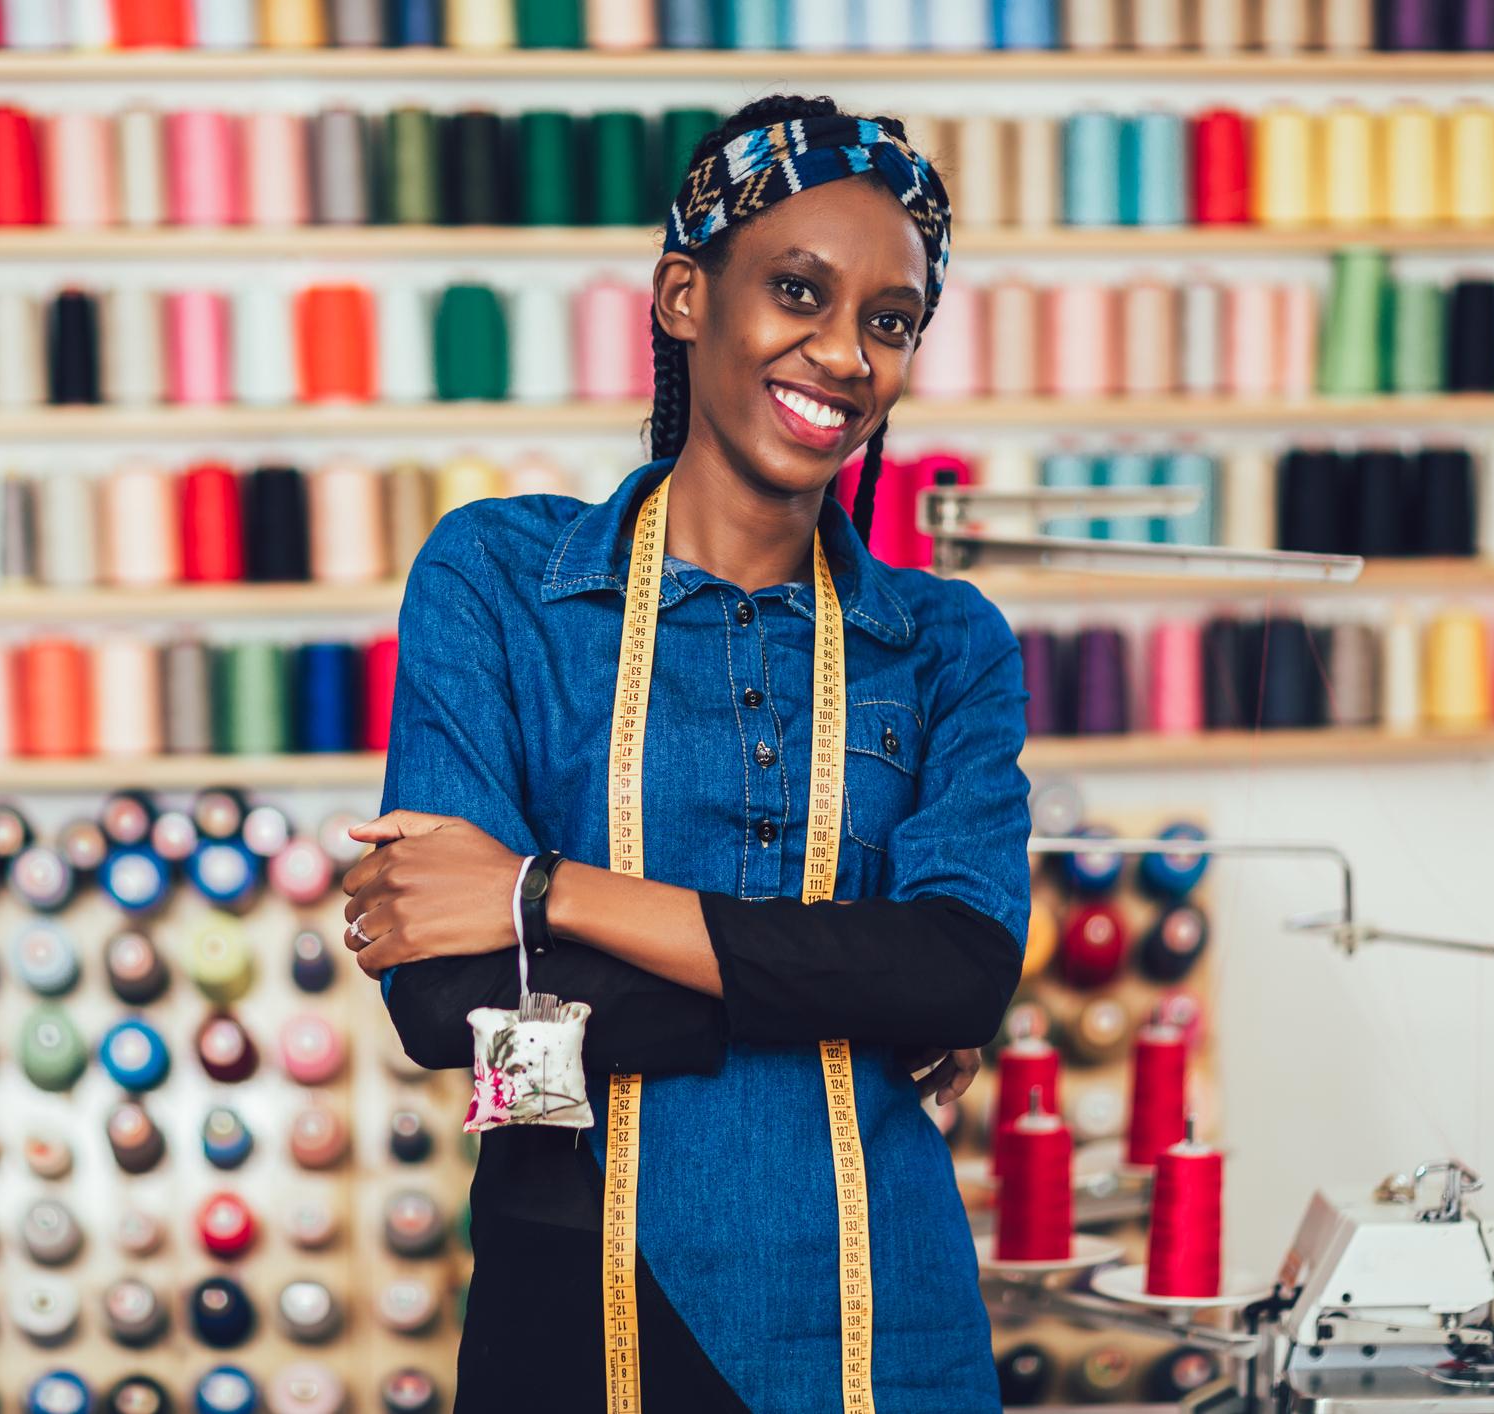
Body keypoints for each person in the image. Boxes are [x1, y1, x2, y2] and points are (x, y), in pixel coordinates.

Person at [339, 93, 1032, 1413]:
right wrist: (851, 991)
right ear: (680, 296)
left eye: (887, 322)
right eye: (797, 292)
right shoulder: (498, 579)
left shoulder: (943, 642)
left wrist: (538, 894)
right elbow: (449, 1017)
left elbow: (957, 973)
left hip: (885, 1316)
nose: (842, 353)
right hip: (575, 1304)